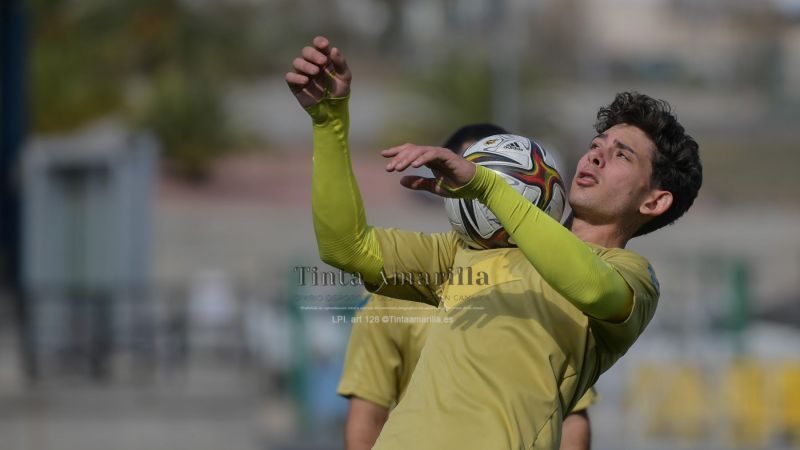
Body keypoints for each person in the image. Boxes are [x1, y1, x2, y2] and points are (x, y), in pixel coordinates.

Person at [286, 36, 702, 449]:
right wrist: (329, 123)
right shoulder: (465, 252)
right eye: (596, 145)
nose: (595, 156)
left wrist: (486, 185)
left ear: (655, 200)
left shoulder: (633, 279)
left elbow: (588, 285)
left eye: (622, 155)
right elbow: (346, 247)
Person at [337, 124, 597, 450]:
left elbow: (572, 418)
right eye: (466, 169)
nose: (473, 182)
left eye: (491, 175)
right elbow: (368, 411)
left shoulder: (554, 287)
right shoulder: (394, 294)